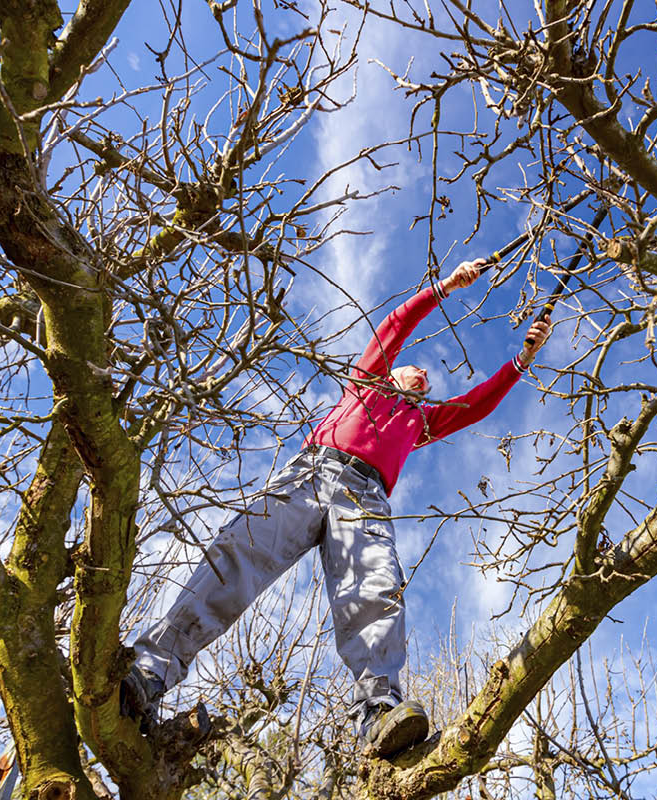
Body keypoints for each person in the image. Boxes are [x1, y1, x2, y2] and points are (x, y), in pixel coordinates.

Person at [120, 258, 552, 758]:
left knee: (375, 586)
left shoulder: (420, 422)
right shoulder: (366, 381)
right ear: (393, 371)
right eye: (416, 369)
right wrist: (446, 286)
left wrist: (522, 359)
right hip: (312, 473)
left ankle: (377, 710)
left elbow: (476, 405)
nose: (425, 376)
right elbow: (394, 326)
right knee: (237, 553)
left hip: (364, 496)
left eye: (428, 380)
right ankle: (149, 672)